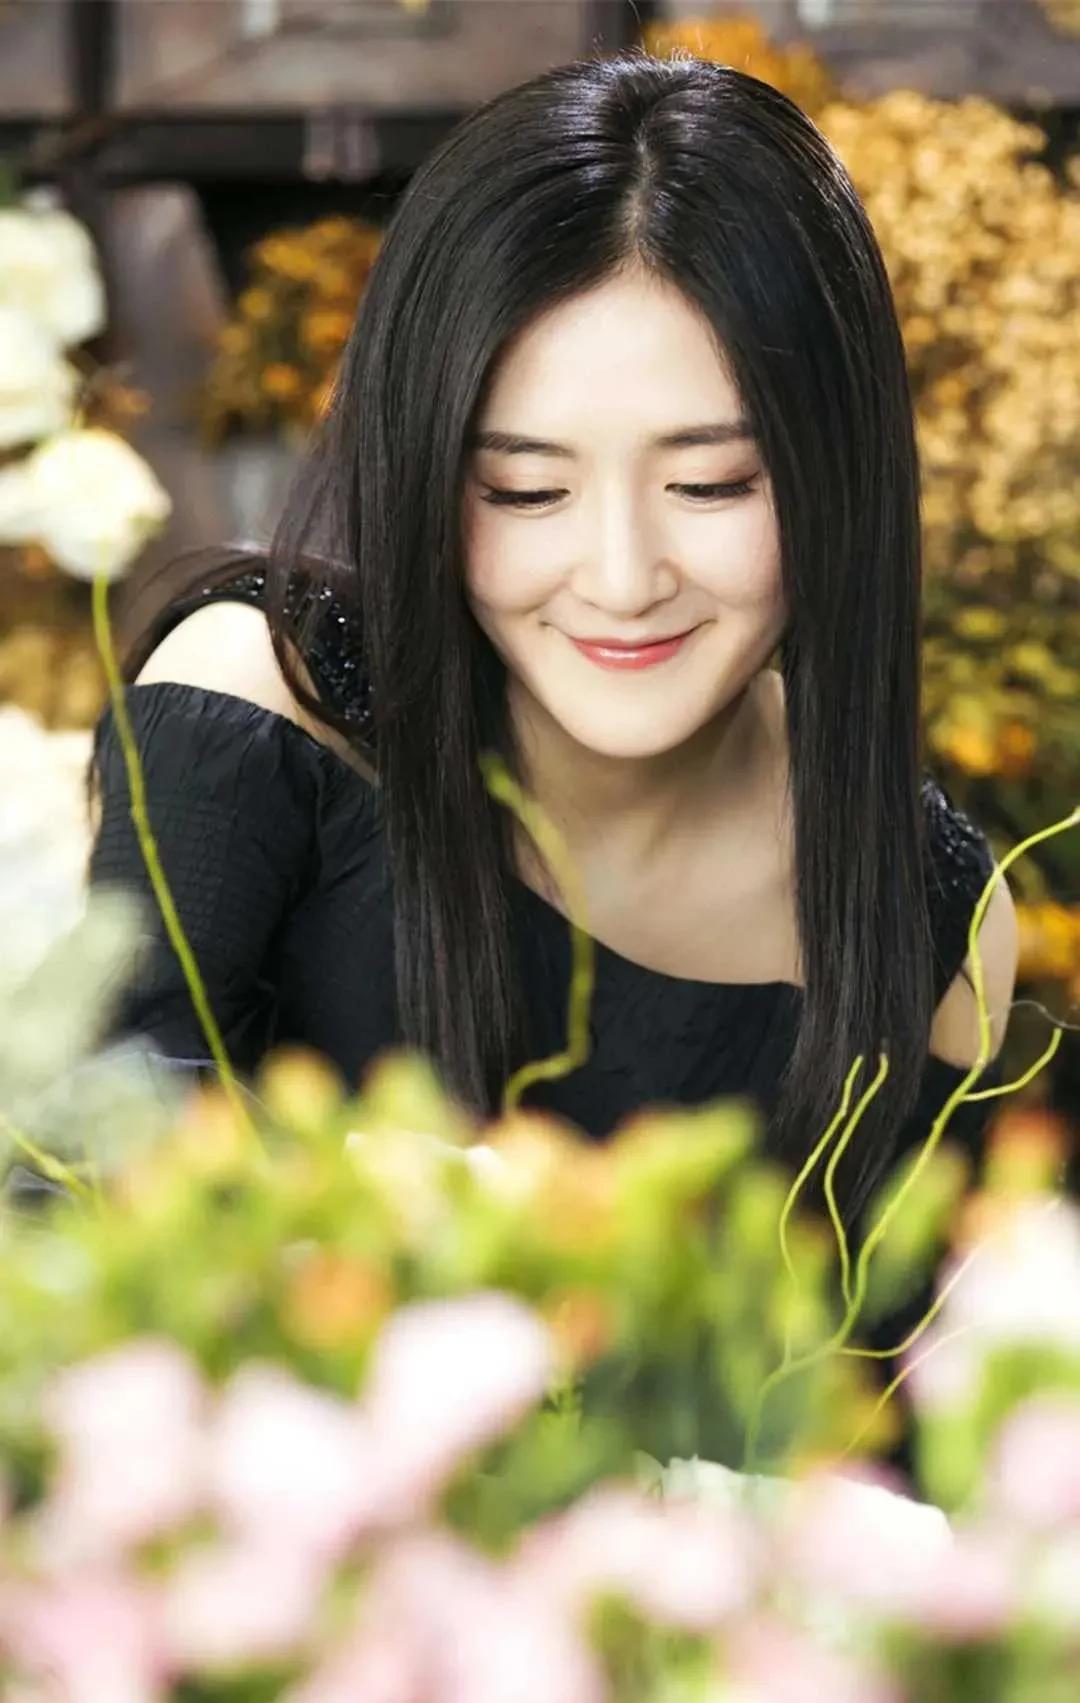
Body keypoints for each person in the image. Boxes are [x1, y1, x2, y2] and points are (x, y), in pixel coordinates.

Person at [86, 48, 1018, 1263]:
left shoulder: (930, 920)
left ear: (837, 471)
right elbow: (74, 1215)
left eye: (712, 483)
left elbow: (908, 1371)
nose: (622, 580)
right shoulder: (265, 712)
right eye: (526, 491)